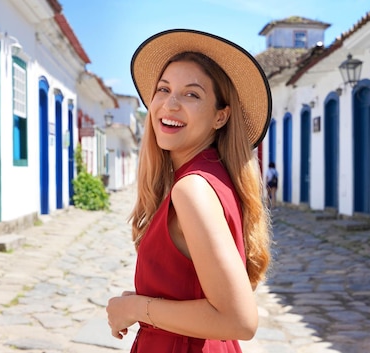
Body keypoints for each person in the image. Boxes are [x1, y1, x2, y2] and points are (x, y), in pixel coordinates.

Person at [106, 29, 272, 352]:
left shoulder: (192, 189)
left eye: (191, 95)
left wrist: (137, 309)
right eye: (163, 89)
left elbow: (240, 319)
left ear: (220, 116)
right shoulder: (211, 177)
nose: (170, 103)